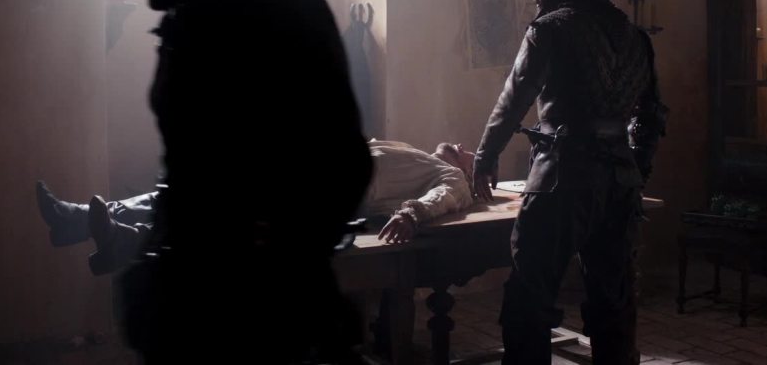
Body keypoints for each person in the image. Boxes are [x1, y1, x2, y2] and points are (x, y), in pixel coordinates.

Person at [106, 0, 373, 363]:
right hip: (189, 303)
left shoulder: (282, 9)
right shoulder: (180, 29)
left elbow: (344, 162)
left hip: (262, 310)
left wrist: (279, 264)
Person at [472, 0, 667, 365]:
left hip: (562, 176)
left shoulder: (550, 29)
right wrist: (635, 168)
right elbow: (652, 116)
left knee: (529, 295)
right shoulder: (635, 36)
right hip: (620, 183)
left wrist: (485, 157)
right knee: (613, 297)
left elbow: (513, 100)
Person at [36, 141, 477, 265]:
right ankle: (83, 221)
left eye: (470, 152)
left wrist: (411, 213)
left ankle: (118, 238)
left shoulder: (451, 176)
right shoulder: (413, 149)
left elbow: (445, 197)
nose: (462, 145)